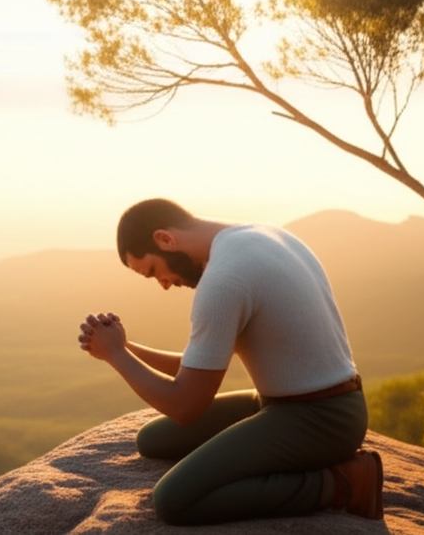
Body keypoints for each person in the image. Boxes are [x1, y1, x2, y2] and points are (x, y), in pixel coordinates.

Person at [77, 198, 383, 525]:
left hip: (322, 419)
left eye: (154, 272)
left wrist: (116, 356)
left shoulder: (224, 279)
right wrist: (123, 347)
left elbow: (185, 406)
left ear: (165, 239)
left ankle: (341, 484)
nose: (164, 284)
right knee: (153, 440)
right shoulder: (263, 237)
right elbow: (196, 369)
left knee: (174, 500)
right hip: (291, 403)